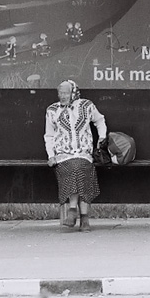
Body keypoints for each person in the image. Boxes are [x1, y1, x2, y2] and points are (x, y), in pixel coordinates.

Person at [44, 80, 106, 231]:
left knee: (81, 168)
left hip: (83, 153)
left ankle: (74, 211)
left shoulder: (86, 106)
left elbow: (99, 120)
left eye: (66, 93)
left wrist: (102, 137)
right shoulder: (52, 110)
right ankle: (84, 218)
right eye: (60, 93)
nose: (62, 96)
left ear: (73, 93)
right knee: (74, 168)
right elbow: (49, 135)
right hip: (63, 155)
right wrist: (51, 155)